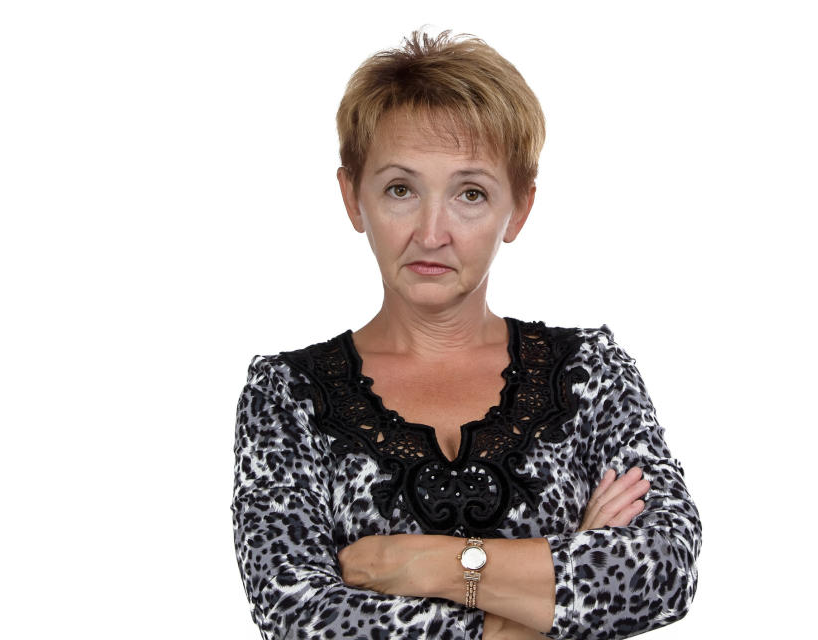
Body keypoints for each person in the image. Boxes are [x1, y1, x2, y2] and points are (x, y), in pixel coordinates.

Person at [230, 28, 702, 640]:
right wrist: (534, 605)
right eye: (401, 189)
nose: (432, 233)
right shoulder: (287, 394)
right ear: (353, 198)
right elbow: (300, 615)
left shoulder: (590, 373)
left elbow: (664, 567)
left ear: (521, 208)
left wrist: (430, 564)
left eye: (470, 194)